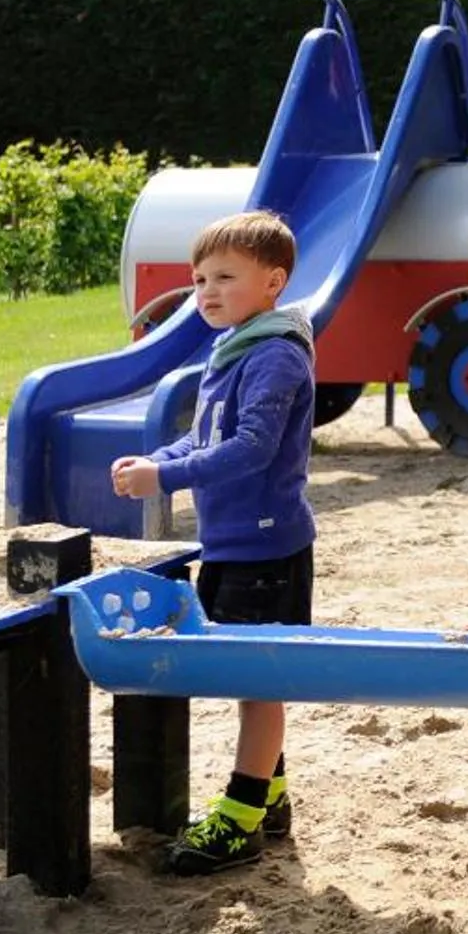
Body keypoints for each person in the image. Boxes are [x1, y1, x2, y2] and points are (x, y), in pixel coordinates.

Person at [110, 210, 317, 875]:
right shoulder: (232, 350)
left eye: (226, 276)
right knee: (247, 676)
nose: (208, 290)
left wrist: (165, 475)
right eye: (200, 278)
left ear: (273, 282)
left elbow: (251, 450)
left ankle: (241, 815)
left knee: (259, 683)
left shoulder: (276, 354)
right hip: (230, 545)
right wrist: (156, 460)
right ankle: (270, 796)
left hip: (265, 549)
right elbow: (205, 440)